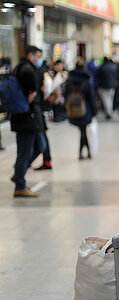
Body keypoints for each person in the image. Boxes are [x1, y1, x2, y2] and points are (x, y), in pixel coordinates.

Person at [10, 45, 47, 197]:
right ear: (31, 55)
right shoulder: (27, 70)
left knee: (39, 146)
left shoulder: (18, 68)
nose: (39, 60)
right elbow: (32, 93)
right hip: (27, 118)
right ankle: (19, 185)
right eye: (38, 56)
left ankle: (19, 173)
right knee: (25, 152)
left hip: (24, 117)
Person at [65, 57, 97, 159]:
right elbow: (91, 96)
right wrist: (94, 111)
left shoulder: (70, 80)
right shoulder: (87, 79)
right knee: (83, 130)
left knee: (82, 130)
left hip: (73, 108)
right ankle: (85, 152)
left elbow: (66, 94)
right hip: (85, 108)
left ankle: (84, 152)